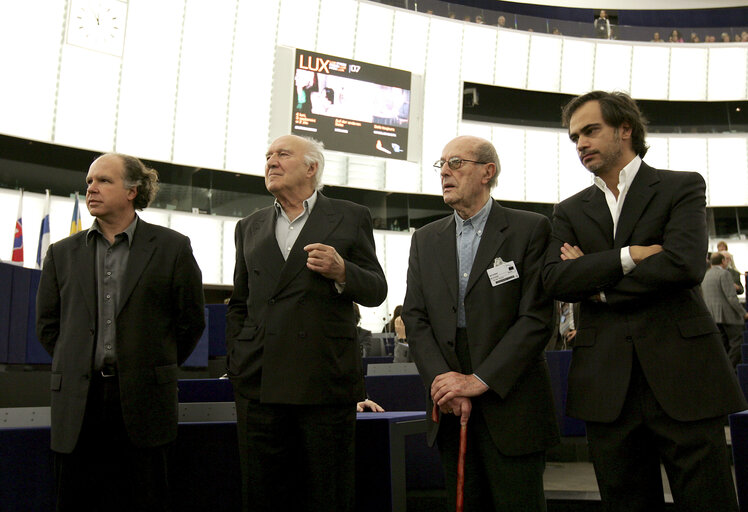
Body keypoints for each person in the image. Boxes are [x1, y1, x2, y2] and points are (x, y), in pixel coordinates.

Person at [543, 90, 746, 511]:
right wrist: (629, 255)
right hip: (606, 387)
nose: (580, 143)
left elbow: (684, 266)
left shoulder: (680, 186)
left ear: (625, 129)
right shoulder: (568, 211)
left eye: (591, 130)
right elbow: (556, 280)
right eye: (575, 136)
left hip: (684, 378)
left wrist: (596, 283)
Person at [226, 134, 387, 512]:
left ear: (311, 167)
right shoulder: (249, 226)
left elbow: (377, 290)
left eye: (283, 154)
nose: (271, 161)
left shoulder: (350, 216)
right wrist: (239, 358)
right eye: (268, 156)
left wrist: (343, 270)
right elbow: (240, 302)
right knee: (263, 494)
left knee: (327, 493)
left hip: (324, 381)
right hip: (259, 383)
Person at [36, 153, 205, 511]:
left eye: (103, 181)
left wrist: (154, 364)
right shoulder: (61, 253)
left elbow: (190, 321)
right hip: (79, 404)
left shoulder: (173, 248)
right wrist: (79, 360)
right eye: (89, 182)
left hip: (145, 402)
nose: (91, 188)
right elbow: (48, 327)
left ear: (133, 190)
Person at [402, 135, 560, 511]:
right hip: (449, 401)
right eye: (441, 165)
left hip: (511, 398)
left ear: (487, 172)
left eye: (455, 163)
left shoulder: (530, 228)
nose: (444, 172)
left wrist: (479, 380)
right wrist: (446, 384)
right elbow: (416, 317)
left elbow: (536, 319)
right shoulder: (425, 239)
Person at [703, 252, 748, 368]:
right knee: (737, 344)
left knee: (723, 346)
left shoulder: (705, 276)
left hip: (714, 317)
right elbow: (731, 298)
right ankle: (731, 369)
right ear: (723, 261)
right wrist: (743, 313)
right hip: (729, 316)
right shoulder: (724, 274)